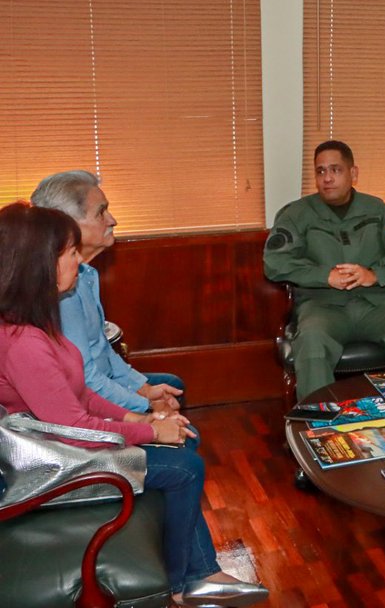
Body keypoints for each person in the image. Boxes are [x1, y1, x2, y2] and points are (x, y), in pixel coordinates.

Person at [0, 202, 267, 607]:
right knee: (185, 468)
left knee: (184, 441)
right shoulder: (23, 343)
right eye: (69, 253)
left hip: (65, 444)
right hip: (55, 465)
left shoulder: (36, 322)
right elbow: (73, 427)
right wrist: (149, 430)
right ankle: (181, 584)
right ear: (40, 265)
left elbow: (79, 392)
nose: (77, 261)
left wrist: (137, 416)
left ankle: (199, 570)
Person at [263, 140, 385, 401]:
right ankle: (321, 420)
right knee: (312, 342)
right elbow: (274, 262)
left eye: (336, 170)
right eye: (320, 171)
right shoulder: (296, 214)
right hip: (322, 307)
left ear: (353, 173)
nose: (327, 178)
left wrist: (374, 274)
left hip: (375, 304)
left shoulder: (378, 211)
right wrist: (324, 276)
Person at [30, 171, 186, 414]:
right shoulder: (61, 293)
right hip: (84, 404)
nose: (112, 220)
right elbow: (86, 380)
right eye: (101, 212)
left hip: (101, 383)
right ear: (68, 223)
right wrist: (145, 405)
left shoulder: (86, 274)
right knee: (182, 424)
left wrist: (143, 388)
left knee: (173, 386)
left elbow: (101, 349)